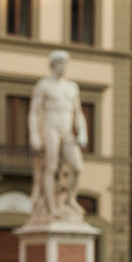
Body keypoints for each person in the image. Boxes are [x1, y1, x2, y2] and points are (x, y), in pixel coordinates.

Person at [28, 50, 88, 220]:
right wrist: (34, 135)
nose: (63, 67)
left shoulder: (71, 87)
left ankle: (70, 199)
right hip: (50, 128)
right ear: (53, 65)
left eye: (65, 64)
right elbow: (34, 112)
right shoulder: (44, 85)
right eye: (60, 64)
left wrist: (83, 132)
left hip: (67, 131)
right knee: (51, 167)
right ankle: (51, 206)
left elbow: (78, 112)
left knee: (77, 167)